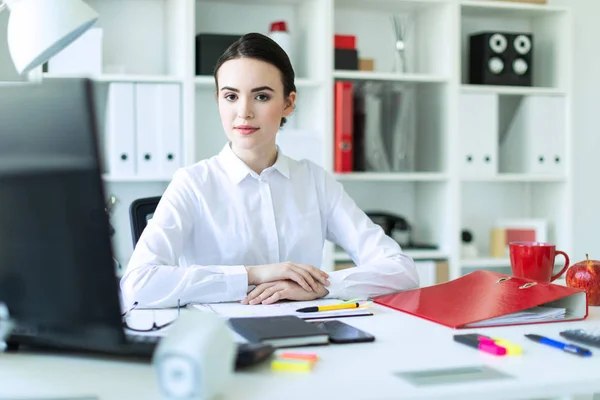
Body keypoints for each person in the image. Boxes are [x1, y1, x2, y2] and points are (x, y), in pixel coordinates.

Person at [120, 33, 419, 309]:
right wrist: (252, 275)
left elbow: (401, 270)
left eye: (261, 96)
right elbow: (137, 285)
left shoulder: (314, 181)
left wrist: (321, 287)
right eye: (231, 96)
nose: (244, 112)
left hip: (304, 331)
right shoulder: (193, 183)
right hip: (221, 340)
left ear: (288, 103)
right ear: (218, 101)